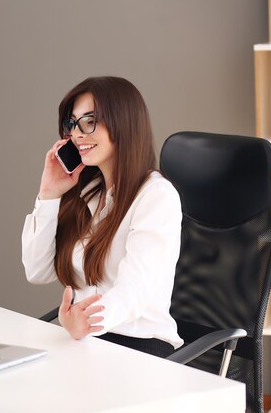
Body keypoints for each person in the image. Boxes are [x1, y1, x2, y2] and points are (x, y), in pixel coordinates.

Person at [21, 76, 183, 357]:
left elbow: (136, 289)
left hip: (140, 348)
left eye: (90, 120)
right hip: (89, 342)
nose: (77, 134)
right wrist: (48, 195)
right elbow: (37, 270)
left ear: (123, 124)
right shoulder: (87, 193)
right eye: (73, 123)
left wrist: (87, 321)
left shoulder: (156, 196)